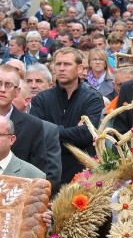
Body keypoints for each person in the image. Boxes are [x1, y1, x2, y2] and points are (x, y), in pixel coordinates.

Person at [30, 47, 103, 184]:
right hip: (47, 170)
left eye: (67, 64)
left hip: (81, 173)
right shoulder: (41, 99)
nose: (62, 68)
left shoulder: (92, 98)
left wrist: (50, 130)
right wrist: (73, 131)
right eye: (58, 64)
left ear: (80, 68)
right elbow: (36, 132)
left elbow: (86, 134)